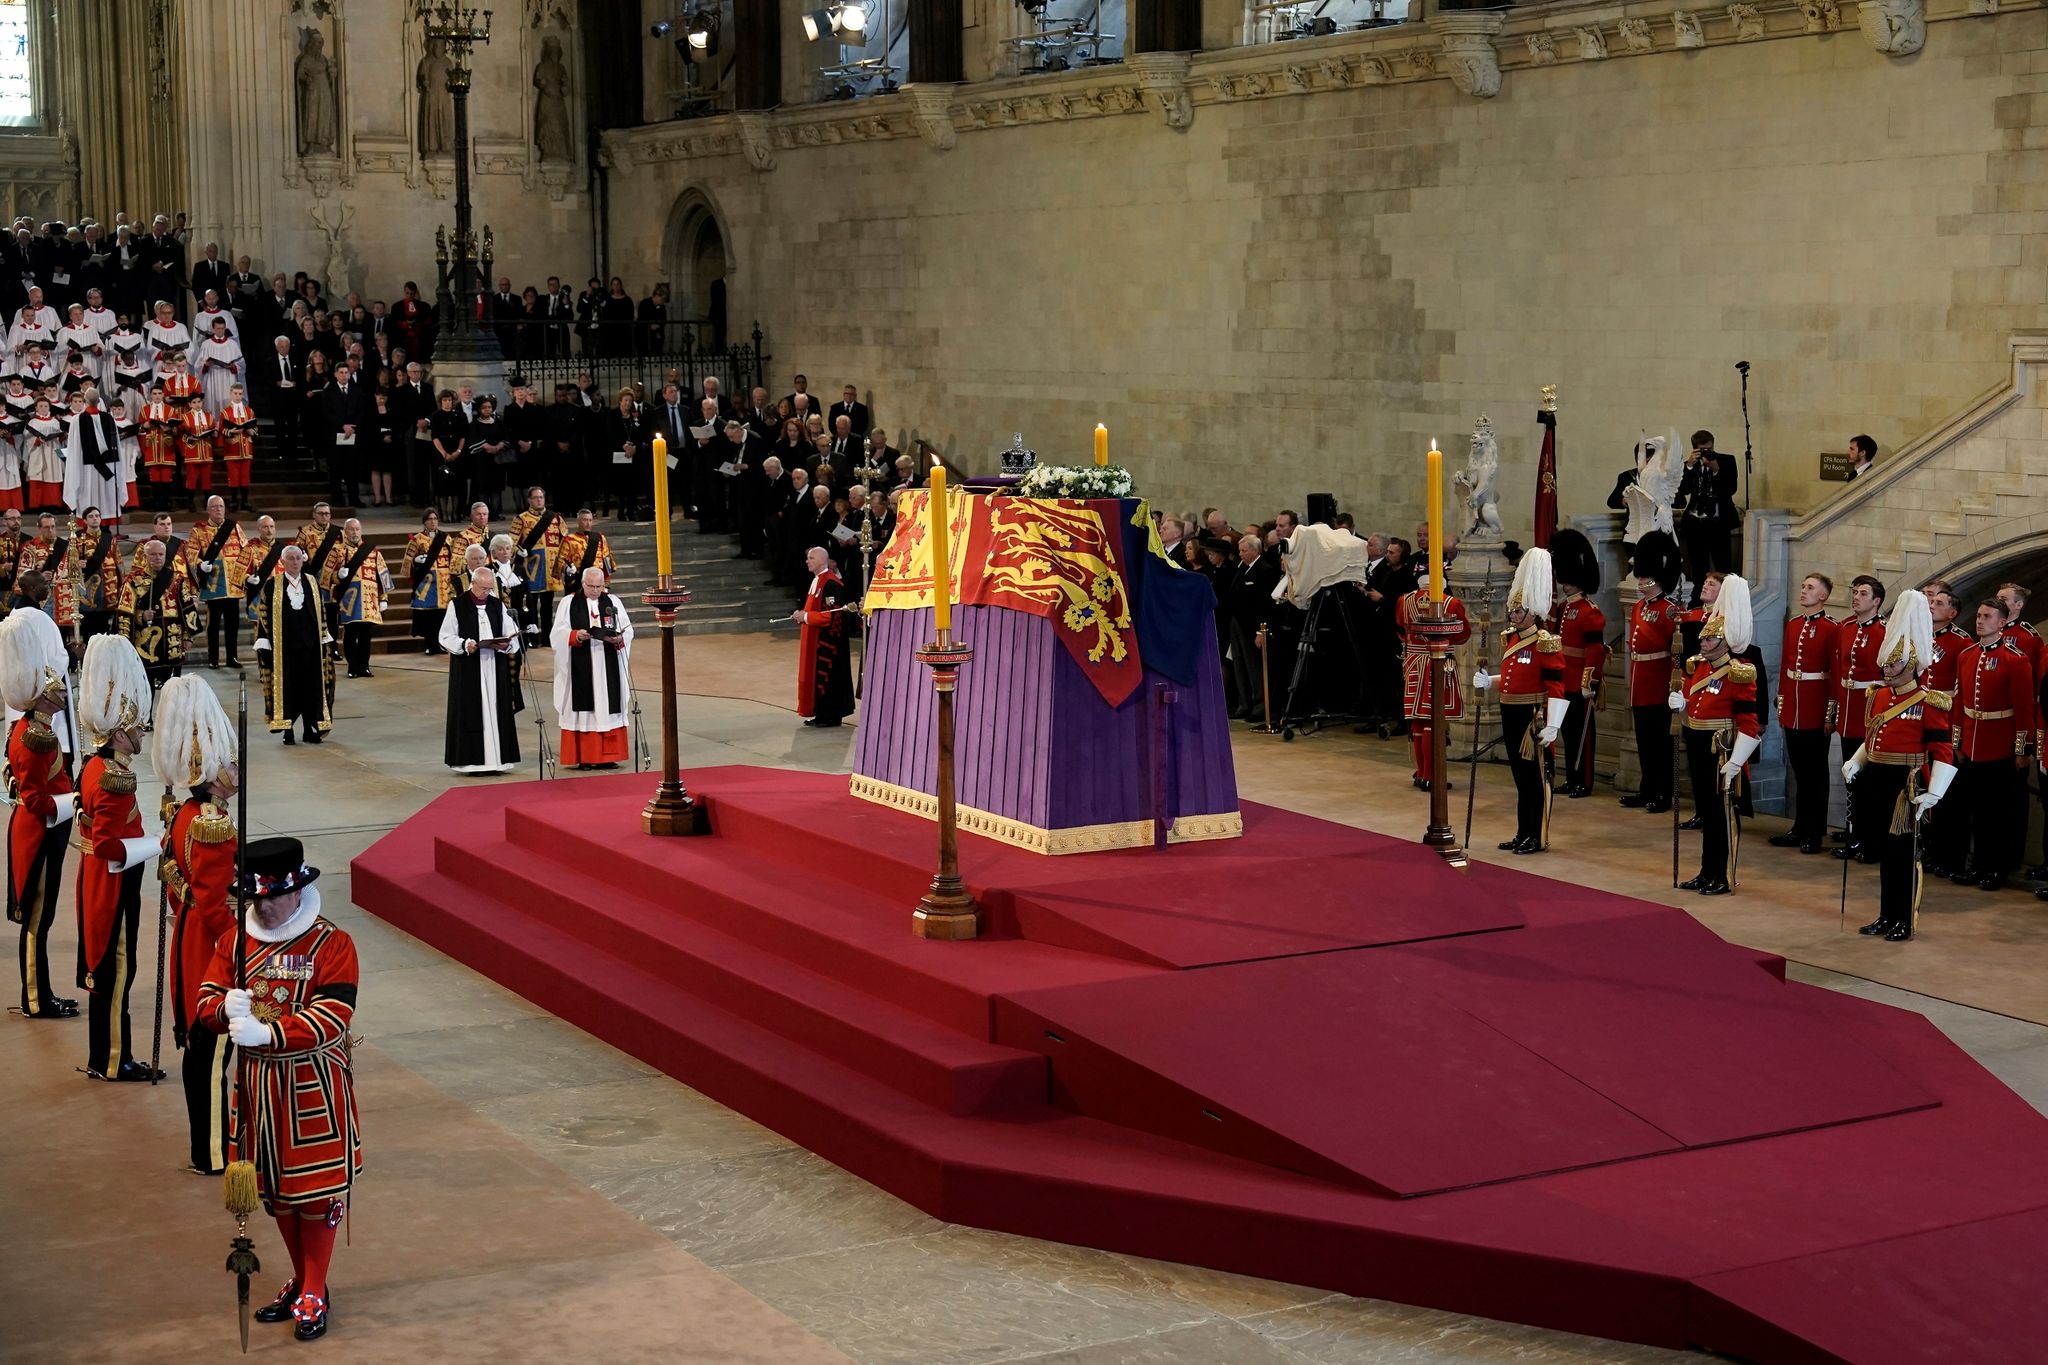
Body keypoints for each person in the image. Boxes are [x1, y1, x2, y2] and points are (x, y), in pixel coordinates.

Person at [198, 835, 361, 1342]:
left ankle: (314, 1287)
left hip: (312, 1086)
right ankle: (303, 1277)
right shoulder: (235, 941)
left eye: (272, 897)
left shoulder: (331, 943)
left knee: (314, 1191)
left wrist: (270, 1032)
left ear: (297, 891)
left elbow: (335, 1014)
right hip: (256, 1088)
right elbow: (205, 999)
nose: (263, 908)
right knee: (276, 1194)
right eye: (254, 898)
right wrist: (223, 1008)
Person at [151, 675, 240, 1173]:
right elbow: (214, 905)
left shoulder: (186, 813)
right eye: (230, 762)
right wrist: (241, 947)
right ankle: (211, 1152)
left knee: (200, 1048)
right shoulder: (213, 823)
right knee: (211, 1050)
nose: (236, 768)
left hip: (189, 937)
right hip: (210, 946)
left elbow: (175, 881)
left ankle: (206, 1145)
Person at [1841, 590, 1954, 942]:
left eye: (1893, 666)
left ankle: (1904, 918)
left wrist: (1935, 792)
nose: (1887, 671)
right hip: (1877, 778)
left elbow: (1942, 750)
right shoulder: (1878, 696)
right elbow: (1873, 737)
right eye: (1886, 665)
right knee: (1883, 852)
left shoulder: (1929, 702)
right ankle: (1885, 915)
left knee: (1904, 855)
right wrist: (1856, 760)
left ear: (1911, 665)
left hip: (1906, 785)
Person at [72, 633, 160, 1080]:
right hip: (113, 882)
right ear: (121, 732)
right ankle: (112, 1059)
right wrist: (157, 844)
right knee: (117, 969)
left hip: (96, 879)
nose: (143, 731)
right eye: (138, 726)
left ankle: (103, 1055)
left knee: (108, 969)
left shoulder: (95, 767)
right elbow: (109, 845)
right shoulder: (116, 779)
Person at [1, 607, 77, 1019]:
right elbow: (35, 799)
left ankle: (41, 992)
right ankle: (35, 998)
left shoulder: (32, 730)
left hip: (44, 830)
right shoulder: (36, 737)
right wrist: (75, 802)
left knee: (41, 917)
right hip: (38, 832)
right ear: (44, 696)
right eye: (57, 691)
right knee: (37, 920)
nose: (63, 695)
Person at [1669, 574, 1762, 896]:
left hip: (1721, 750)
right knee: (1707, 813)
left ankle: (1721, 875)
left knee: (1722, 814)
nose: (1703, 644)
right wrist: (1681, 702)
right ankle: (1706, 870)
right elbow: (1696, 703)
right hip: (1697, 743)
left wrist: (1736, 762)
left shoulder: (1739, 672)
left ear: (1724, 642)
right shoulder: (1699, 666)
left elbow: (1749, 723)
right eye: (1704, 640)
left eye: (1709, 641)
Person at [1470, 547, 1565, 855]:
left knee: (1533, 779)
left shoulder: (1545, 642)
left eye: (1517, 611)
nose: (1512, 615)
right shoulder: (1513, 638)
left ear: (1532, 613)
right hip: (1510, 712)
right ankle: (1522, 831)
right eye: (1512, 611)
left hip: (1531, 717)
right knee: (1520, 778)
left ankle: (1535, 835)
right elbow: (1512, 679)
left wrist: (1553, 725)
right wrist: (1490, 682)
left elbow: (1557, 687)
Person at [1938, 599, 2035, 892]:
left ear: (2002, 622)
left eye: (1987, 616)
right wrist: (1957, 741)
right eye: (1979, 615)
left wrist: (2022, 749)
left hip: (1999, 745)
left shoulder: (2015, 659)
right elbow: (1959, 702)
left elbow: (2024, 708)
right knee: (1975, 812)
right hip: (1972, 743)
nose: (1980, 621)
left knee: (1997, 814)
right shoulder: (1967, 655)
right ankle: (1977, 865)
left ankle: (1995, 869)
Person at [1769, 572, 1840, 854]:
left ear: (1823, 595)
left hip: (1815, 707)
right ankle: (1799, 827)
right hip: (1794, 708)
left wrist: (1829, 714)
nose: (1803, 591)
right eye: (1802, 586)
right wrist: (1783, 704)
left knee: (1816, 774)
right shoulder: (1794, 624)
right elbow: (1786, 666)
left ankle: (1815, 832)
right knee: (1799, 772)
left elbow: (1835, 673)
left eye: (1810, 588)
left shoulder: (1831, 628)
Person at [1620, 531, 1682, 814]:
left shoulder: (1669, 611)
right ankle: (1647, 789)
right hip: (1640, 682)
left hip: (1658, 684)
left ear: (1656, 578)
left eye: (1644, 576)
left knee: (1661, 744)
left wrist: (1673, 686)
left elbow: (1674, 653)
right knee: (1644, 741)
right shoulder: (1638, 608)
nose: (1641, 579)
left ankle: (1663, 793)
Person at [441, 566, 522, 774]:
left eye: (489, 588)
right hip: (469, 668)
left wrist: (507, 644)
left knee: (496, 709)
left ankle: (498, 761)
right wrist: (464, 644)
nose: (487, 592)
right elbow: (445, 636)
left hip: (495, 667)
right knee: (472, 711)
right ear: (473, 584)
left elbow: (511, 631)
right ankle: (472, 762)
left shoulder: (497, 605)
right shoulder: (457, 605)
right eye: (483, 588)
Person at [1830, 575, 1888, 861]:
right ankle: (1855, 836)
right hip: (1848, 711)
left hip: (1871, 712)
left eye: (1863, 593)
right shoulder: (1846, 627)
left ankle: (1872, 840)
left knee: (1870, 783)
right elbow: (1838, 672)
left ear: (1876, 601)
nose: (1856, 597)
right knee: (1851, 778)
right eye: (1854, 592)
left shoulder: (1884, 630)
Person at [551, 567, 633, 769]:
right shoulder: (569, 602)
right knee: (584, 711)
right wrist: (575, 635)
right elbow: (557, 634)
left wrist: (620, 638)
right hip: (581, 664)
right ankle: (585, 757)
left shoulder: (613, 602)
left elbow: (627, 629)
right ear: (583, 584)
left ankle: (608, 757)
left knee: (607, 706)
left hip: (607, 664)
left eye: (599, 586)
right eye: (591, 586)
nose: (596, 591)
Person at [1392, 579, 1470, 790]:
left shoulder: (1404, 600)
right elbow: (1463, 634)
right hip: (1438, 662)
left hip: (1412, 662)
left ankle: (1421, 773)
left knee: (1417, 719)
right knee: (1433, 720)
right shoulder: (1451, 602)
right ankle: (1431, 776)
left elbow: (1400, 630)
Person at [1546, 528, 1606, 798]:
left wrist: (1588, 682)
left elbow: (1595, 651)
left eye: (1569, 579)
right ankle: (1571, 778)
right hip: (1562, 679)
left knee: (1583, 735)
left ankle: (1584, 780)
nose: (1565, 584)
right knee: (1568, 733)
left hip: (1578, 681)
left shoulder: (1590, 612)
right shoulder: (1564, 608)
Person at [252, 545, 333, 744]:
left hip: (310, 647)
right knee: (288, 688)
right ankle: (288, 731)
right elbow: (263, 614)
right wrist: (264, 642)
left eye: (298, 558)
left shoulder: (312, 582)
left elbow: (321, 612)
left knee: (309, 688)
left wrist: (324, 637)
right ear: (283, 561)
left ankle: (308, 729)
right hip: (284, 648)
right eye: (290, 558)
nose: (295, 562)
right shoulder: (272, 584)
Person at [118, 536, 198, 689]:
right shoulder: (133, 581)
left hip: (172, 641)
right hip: (146, 643)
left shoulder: (177, 579)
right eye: (153, 554)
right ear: (145, 556)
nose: (157, 557)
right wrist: (141, 616)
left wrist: (188, 637)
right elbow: (124, 612)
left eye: (161, 554)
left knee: (173, 689)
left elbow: (187, 609)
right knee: (146, 689)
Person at [790, 545, 853, 728]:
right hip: (816, 638)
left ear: (821, 560)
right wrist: (801, 615)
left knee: (828, 678)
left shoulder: (831, 584)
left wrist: (806, 617)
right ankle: (820, 713)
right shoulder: (817, 581)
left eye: (811, 558)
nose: (807, 561)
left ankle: (831, 715)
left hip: (828, 643)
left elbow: (831, 615)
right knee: (817, 679)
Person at [1675, 430, 1738, 605]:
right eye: (1703, 450)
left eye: (1710, 449)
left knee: (1723, 567)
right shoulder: (1689, 465)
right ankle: (1698, 605)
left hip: (1719, 523)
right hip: (1695, 523)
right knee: (1698, 568)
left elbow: (1731, 489)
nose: (1707, 453)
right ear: (1695, 448)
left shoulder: (1726, 460)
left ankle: (1726, 604)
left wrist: (1716, 469)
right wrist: (1689, 466)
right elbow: (1682, 491)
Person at [184, 495, 246, 668]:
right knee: (213, 625)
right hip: (213, 583)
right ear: (208, 510)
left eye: (221, 506)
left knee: (233, 624)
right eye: (214, 506)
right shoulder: (199, 530)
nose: (218, 509)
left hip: (233, 584)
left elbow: (246, 550)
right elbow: (190, 554)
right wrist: (200, 564)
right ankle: (213, 658)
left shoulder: (235, 527)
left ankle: (232, 658)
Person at [329, 518, 389, 680]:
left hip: (369, 599)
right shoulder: (337, 551)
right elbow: (326, 577)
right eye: (351, 529)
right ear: (345, 531)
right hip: (349, 600)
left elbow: (383, 577)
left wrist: (384, 598)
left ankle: (364, 666)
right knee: (350, 633)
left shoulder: (373, 552)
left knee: (366, 635)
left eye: (357, 529)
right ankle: (352, 666)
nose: (354, 532)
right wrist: (338, 575)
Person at [60, 384, 127, 523]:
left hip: (86, 468)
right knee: (106, 497)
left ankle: (89, 525)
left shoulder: (77, 420)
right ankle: (106, 525)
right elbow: (116, 446)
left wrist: (73, 466)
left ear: (85, 401)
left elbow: (74, 447)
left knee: (89, 497)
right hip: (107, 468)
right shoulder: (109, 418)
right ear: (98, 401)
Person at [509, 485, 565, 643]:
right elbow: (511, 542)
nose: (539, 500)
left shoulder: (556, 518)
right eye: (535, 498)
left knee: (548, 605)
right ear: (529, 500)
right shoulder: (521, 519)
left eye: (541, 497)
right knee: (530, 605)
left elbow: (564, 542)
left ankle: (547, 638)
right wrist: (518, 551)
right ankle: (531, 638)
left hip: (550, 568)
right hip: (531, 568)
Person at [406, 509, 454, 654]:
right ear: (424, 522)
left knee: (442, 614)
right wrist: (416, 560)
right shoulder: (416, 539)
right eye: (430, 519)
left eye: (435, 519)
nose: (433, 522)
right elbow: (406, 564)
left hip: (444, 582)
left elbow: (453, 559)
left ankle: (441, 644)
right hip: (426, 583)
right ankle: (429, 644)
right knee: (428, 615)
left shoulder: (446, 538)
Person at [558, 507, 615, 585]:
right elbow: (560, 561)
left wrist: (606, 584)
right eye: (585, 520)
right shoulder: (569, 540)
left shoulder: (600, 538)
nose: (588, 523)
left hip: (597, 583)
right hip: (578, 582)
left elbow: (607, 562)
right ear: (578, 521)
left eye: (590, 520)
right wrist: (567, 568)